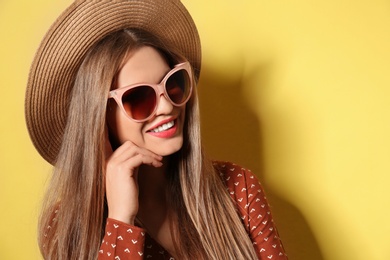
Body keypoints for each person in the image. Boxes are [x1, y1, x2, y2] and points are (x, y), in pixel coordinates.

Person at [25, 0, 287, 259]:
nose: (166, 105)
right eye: (138, 97)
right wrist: (121, 220)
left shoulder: (237, 189)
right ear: (98, 117)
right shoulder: (67, 226)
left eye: (172, 83)